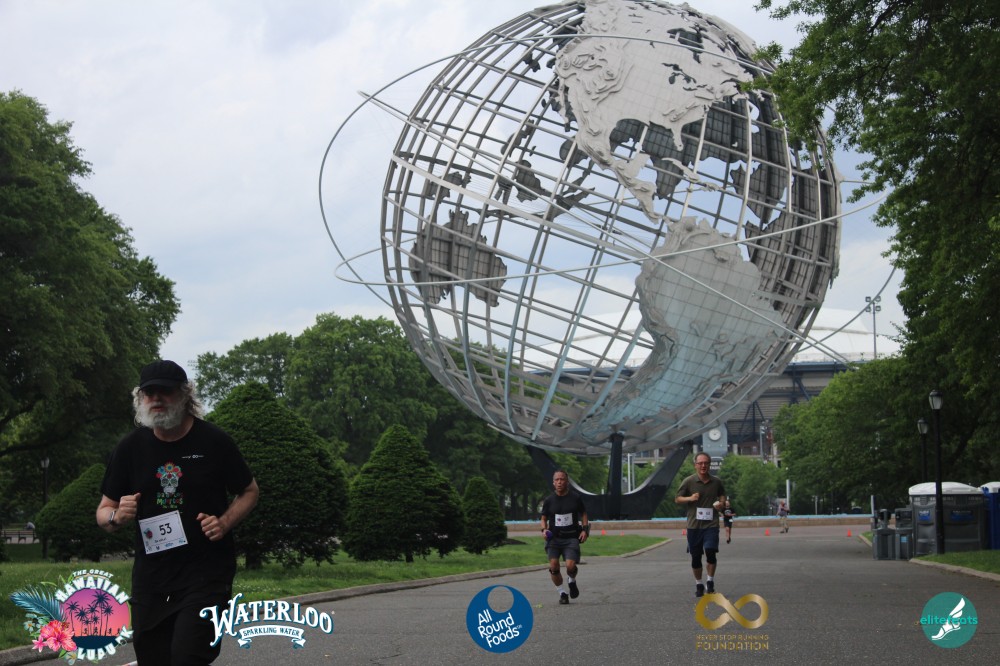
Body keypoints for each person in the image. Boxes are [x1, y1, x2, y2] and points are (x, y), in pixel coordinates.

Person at [96, 360, 259, 665]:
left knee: (187, 655)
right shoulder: (131, 448)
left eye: (165, 391)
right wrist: (117, 516)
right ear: (140, 398)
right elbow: (104, 511)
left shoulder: (214, 442)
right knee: (153, 658)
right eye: (149, 393)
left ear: (185, 395)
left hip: (206, 573)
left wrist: (223, 523)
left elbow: (250, 491)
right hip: (152, 578)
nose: (156, 398)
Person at [676, 451, 727, 597]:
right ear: (695, 465)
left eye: (706, 463)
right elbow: (677, 499)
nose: (703, 466)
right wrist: (690, 498)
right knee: (696, 557)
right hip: (694, 526)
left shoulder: (716, 481)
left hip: (711, 524)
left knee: (710, 551)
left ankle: (710, 582)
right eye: (700, 463)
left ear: (709, 465)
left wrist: (721, 503)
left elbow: (722, 495)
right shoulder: (688, 481)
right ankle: (699, 584)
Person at [540, 469, 589, 605]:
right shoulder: (549, 500)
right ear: (553, 483)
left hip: (571, 537)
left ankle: (571, 581)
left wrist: (585, 530)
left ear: (567, 482)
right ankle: (562, 592)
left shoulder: (575, 498)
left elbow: (584, 514)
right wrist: (544, 530)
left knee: (570, 565)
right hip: (554, 539)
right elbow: (543, 518)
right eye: (557, 480)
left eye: (562, 479)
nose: (559, 482)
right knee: (554, 566)